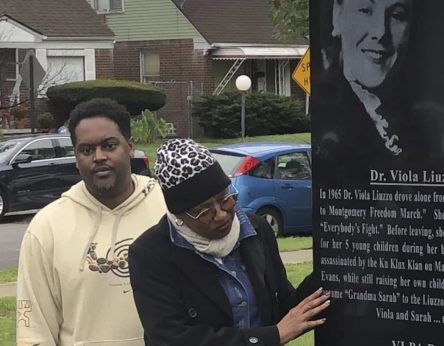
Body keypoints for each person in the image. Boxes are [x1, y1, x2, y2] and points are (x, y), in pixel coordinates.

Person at [129, 138, 328, 345]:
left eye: (226, 198)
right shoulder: (150, 254)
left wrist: (332, 271)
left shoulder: (257, 230)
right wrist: (270, 337)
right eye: (204, 211)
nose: (221, 214)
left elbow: (282, 307)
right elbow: (172, 338)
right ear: (179, 215)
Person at [16, 98, 167, 346]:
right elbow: (34, 331)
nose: (99, 157)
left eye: (109, 146)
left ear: (130, 147)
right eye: (86, 150)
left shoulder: (168, 209)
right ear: (76, 158)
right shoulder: (47, 228)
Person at [316, 0, 425, 163]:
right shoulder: (329, 125)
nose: (380, 32)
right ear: (337, 14)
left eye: (397, 15)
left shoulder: (416, 121)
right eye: (365, 9)